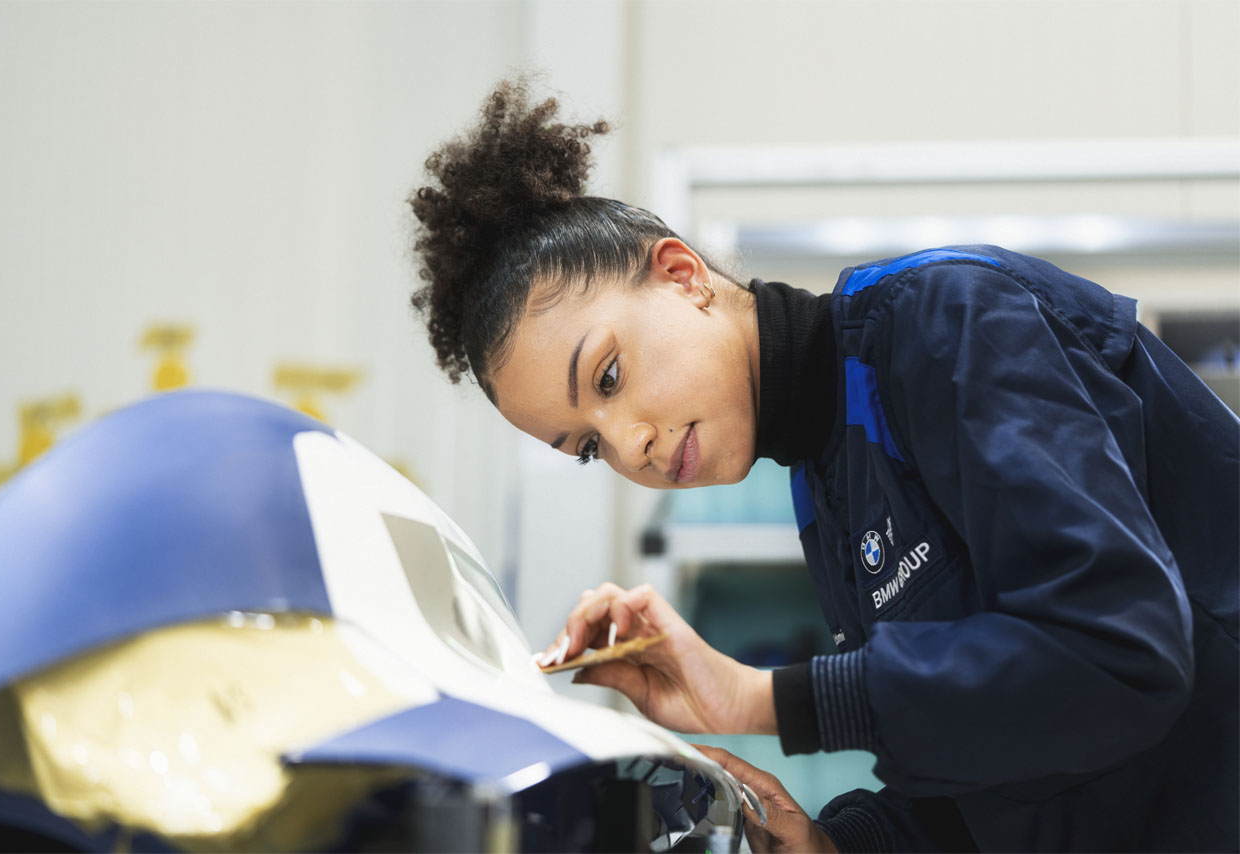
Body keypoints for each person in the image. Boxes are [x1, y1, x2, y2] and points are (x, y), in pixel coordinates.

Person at [408, 78, 1239, 853]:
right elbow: (1003, 770)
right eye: (588, 446)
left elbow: (1119, 656)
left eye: (609, 378)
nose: (630, 446)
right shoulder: (825, 478)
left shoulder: (947, 322)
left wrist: (761, 697)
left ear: (682, 275)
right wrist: (840, 839)